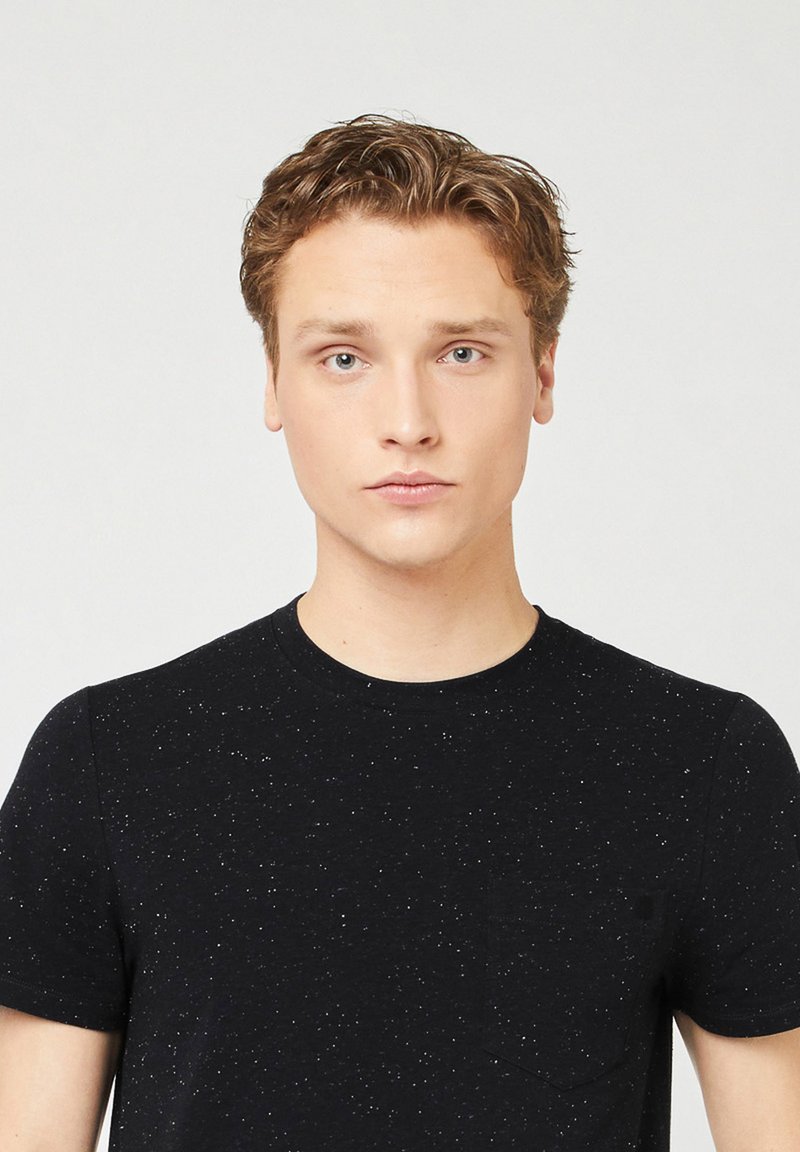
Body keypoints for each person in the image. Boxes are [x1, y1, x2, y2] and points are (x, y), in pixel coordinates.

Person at [1, 113, 799, 1152]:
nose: (408, 420)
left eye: (462, 352)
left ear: (542, 375)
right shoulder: (107, 763)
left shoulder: (703, 765)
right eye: (343, 357)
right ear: (273, 383)